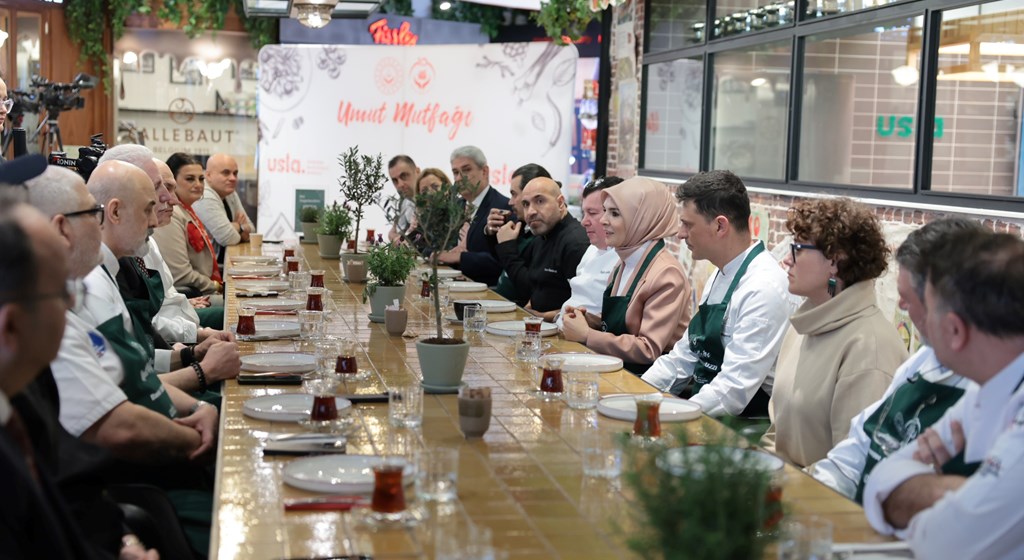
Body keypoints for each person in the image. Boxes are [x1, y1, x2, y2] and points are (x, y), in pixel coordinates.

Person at [863, 230, 1024, 559]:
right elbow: (879, 481)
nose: (920, 320)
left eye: (928, 308)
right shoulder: (988, 387)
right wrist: (958, 493)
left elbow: (942, 544)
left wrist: (926, 498)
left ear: (954, 330)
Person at [807, 217, 984, 500]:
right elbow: (855, 452)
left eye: (908, 297)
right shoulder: (921, 361)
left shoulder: (995, 393)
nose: (901, 305)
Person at [759, 198, 907, 467]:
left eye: (797, 249)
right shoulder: (805, 325)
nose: (786, 260)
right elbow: (778, 435)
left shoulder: (869, 347)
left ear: (835, 261)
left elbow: (851, 467)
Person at [641, 170, 796, 417]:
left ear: (720, 225)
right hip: (704, 408)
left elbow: (732, 392)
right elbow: (682, 358)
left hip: (743, 426)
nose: (680, 233)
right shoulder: (720, 273)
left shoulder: (763, 288)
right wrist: (637, 396)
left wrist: (670, 415)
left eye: (687, 224)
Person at [561, 177, 691, 375]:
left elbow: (648, 349)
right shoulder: (625, 262)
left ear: (642, 219)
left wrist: (587, 335)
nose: (603, 220)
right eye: (605, 211)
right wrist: (588, 320)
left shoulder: (666, 273)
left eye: (614, 213)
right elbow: (624, 326)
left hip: (647, 381)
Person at [148, 157, 225, 330]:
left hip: (183, 302)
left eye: (201, 179)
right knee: (236, 310)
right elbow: (181, 275)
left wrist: (182, 302)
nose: (198, 184)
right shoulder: (169, 216)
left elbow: (167, 294)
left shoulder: (185, 211)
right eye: (190, 179)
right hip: (193, 294)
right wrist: (216, 287)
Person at [554, 176, 624, 328]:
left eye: (592, 213)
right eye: (584, 213)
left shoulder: (626, 258)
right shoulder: (592, 249)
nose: (583, 222)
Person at [435, 146, 510, 286]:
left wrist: (460, 257)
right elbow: (432, 245)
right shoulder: (453, 207)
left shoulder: (502, 207)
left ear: (484, 171)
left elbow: (499, 263)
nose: (459, 178)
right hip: (447, 285)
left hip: (484, 290)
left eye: (466, 170)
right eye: (455, 172)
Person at [192, 153, 253, 263]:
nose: (233, 178)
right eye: (226, 173)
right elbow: (228, 238)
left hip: (226, 263)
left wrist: (234, 228)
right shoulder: (204, 196)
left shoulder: (230, 192)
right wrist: (239, 226)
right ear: (208, 175)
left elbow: (252, 231)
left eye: (235, 173)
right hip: (211, 269)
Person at [386, 155, 419, 242]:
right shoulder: (405, 201)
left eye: (404, 176)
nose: (400, 184)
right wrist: (398, 239)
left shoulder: (432, 199)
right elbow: (393, 233)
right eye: (395, 181)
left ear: (417, 172)